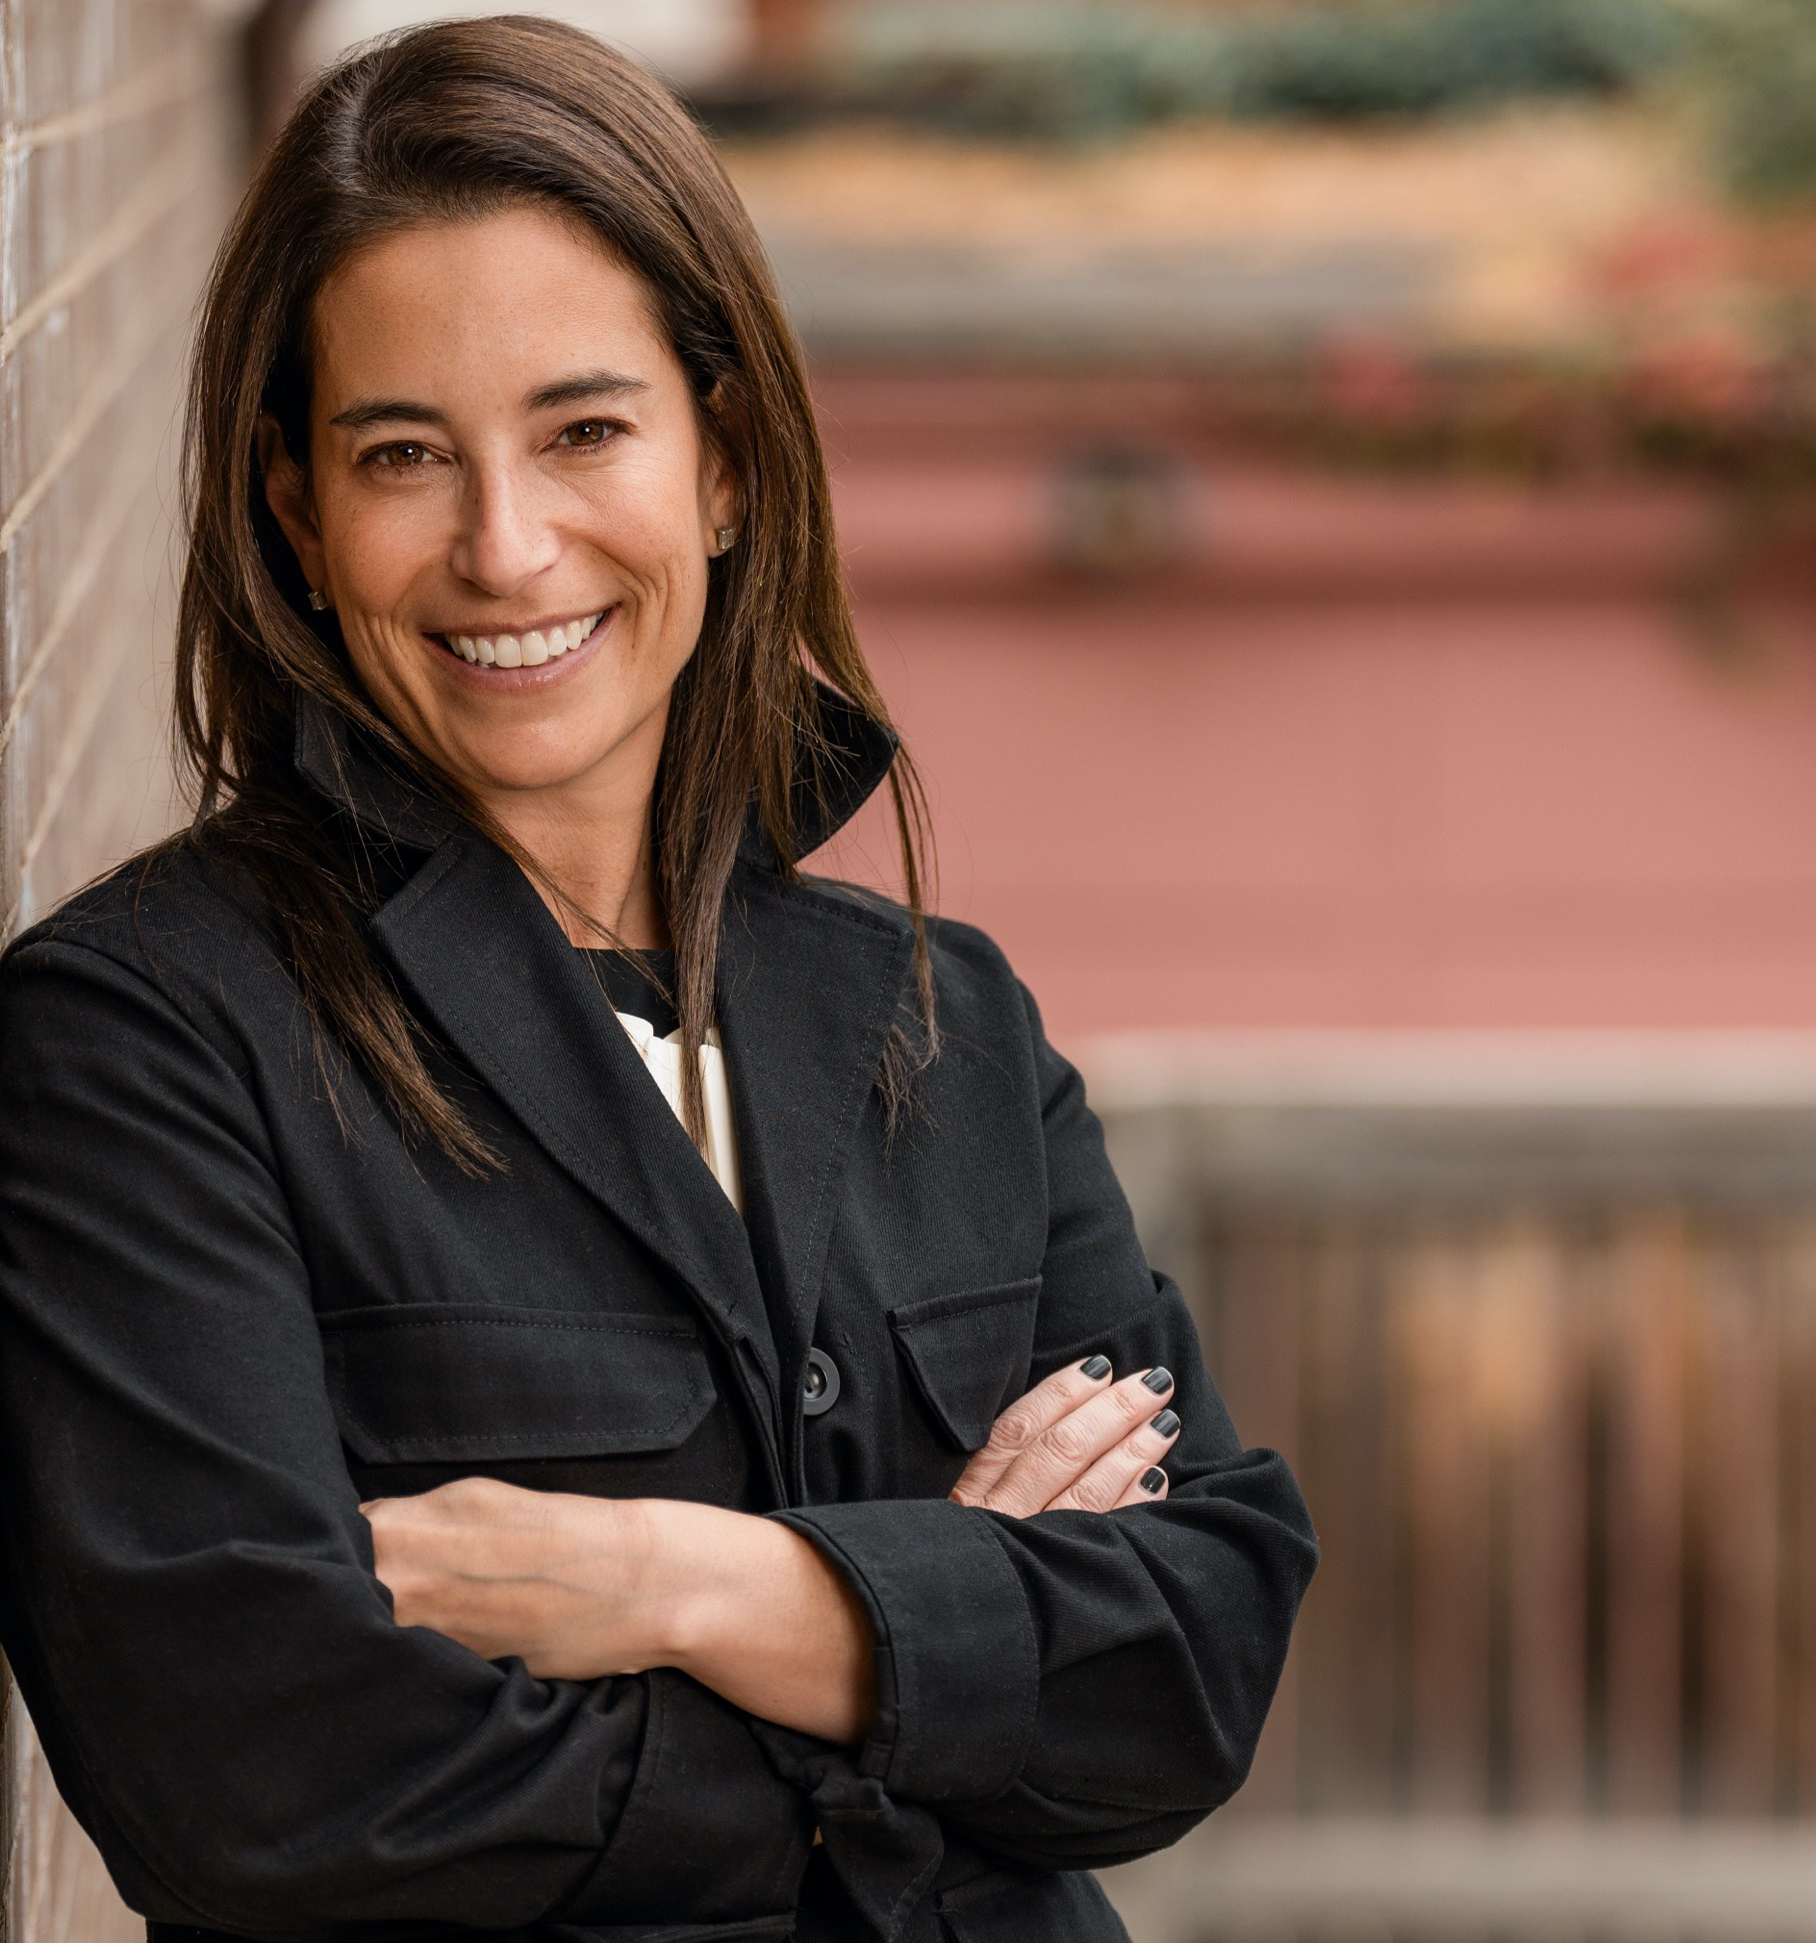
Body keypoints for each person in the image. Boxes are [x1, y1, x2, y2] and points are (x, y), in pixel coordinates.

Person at [0, 19, 1316, 1943]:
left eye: (584, 429)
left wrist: (689, 1586)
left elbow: (1189, 1671)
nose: (505, 544)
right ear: (294, 508)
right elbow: (269, 1787)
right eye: (400, 455)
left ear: (722, 464)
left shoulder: (943, 1026)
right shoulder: (143, 1044)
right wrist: (941, 1645)